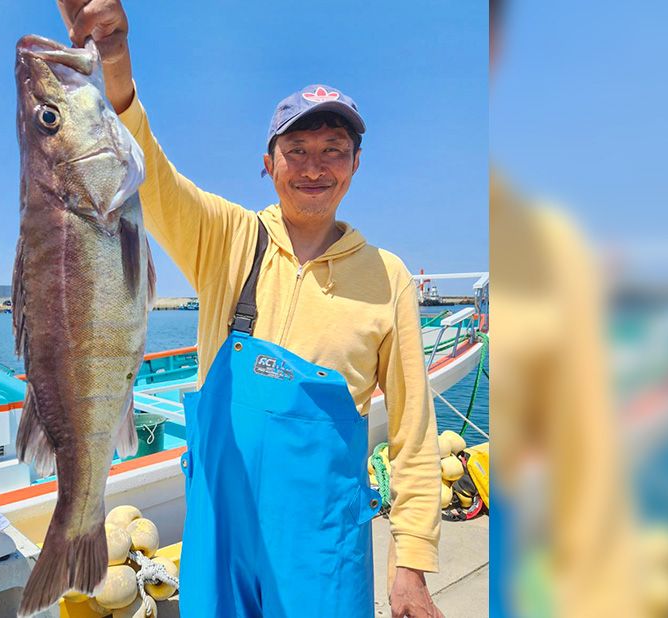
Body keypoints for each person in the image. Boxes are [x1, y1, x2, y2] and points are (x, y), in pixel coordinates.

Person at [56, 2, 443, 616]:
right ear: (268, 164)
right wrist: (115, 65)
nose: (314, 167)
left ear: (355, 164)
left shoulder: (389, 277)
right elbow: (150, 174)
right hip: (219, 529)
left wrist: (412, 559)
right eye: (297, 149)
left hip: (322, 544)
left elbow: (413, 432)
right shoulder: (228, 239)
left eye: (333, 149)